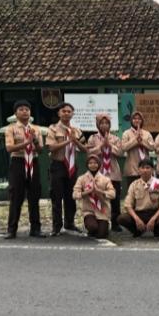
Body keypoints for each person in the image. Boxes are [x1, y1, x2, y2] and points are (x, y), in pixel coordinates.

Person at [3, 100, 45, 239]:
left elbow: (40, 150)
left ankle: (35, 229)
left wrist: (35, 141)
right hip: (18, 162)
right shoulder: (11, 129)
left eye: (27, 109)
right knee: (16, 196)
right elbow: (9, 148)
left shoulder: (36, 129)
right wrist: (26, 143)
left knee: (34, 196)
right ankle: (11, 229)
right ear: (16, 113)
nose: (24, 111)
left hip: (33, 161)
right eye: (21, 109)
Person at [46, 102, 87, 235]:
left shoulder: (77, 130)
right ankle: (56, 227)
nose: (66, 113)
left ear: (73, 114)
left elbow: (85, 148)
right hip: (58, 165)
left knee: (71, 196)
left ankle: (70, 223)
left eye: (69, 111)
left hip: (72, 166)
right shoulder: (53, 129)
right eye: (64, 111)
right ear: (59, 113)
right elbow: (51, 147)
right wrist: (68, 141)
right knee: (56, 197)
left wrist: (76, 141)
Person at [87, 113, 124, 232]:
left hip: (113, 172)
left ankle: (115, 223)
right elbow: (89, 153)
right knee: (98, 197)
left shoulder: (115, 138)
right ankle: (100, 220)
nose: (104, 125)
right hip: (99, 173)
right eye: (101, 123)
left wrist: (110, 145)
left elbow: (121, 152)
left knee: (115, 198)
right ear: (98, 125)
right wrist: (101, 146)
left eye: (106, 123)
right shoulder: (93, 138)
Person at [117, 159, 159, 238]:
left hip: (154, 213)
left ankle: (157, 231)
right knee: (122, 218)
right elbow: (128, 205)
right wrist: (137, 219)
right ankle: (137, 231)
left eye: (147, 167)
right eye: (142, 168)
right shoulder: (134, 184)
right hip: (139, 213)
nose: (145, 170)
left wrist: (153, 219)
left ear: (152, 169)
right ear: (139, 170)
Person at [72, 155, 116, 239]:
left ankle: (103, 227)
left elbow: (113, 194)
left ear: (99, 164)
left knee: (101, 235)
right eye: (90, 163)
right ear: (87, 165)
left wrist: (100, 192)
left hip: (102, 211)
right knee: (92, 227)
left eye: (95, 163)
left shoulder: (105, 179)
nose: (93, 165)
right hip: (89, 210)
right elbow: (74, 194)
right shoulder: (81, 179)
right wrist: (87, 192)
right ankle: (90, 228)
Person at [121, 111, 155, 191]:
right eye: (135, 119)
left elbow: (152, 147)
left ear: (142, 120)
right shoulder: (126, 133)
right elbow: (123, 147)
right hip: (132, 168)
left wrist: (142, 141)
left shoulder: (147, 133)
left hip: (145, 168)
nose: (137, 120)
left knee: (146, 192)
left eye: (139, 119)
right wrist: (135, 140)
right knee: (132, 191)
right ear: (131, 120)